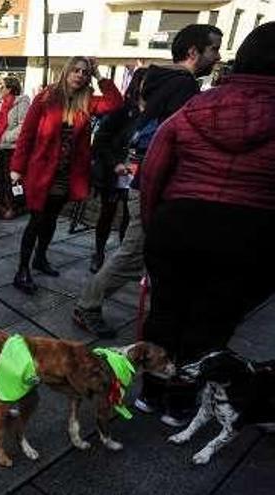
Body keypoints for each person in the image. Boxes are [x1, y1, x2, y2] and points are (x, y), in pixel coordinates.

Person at [138, 23, 273, 426]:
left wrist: (154, 226)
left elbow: (153, 172)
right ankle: (180, 402)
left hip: (178, 223)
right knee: (211, 323)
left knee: (165, 311)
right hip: (249, 232)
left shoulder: (195, 108)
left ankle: (151, 392)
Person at [73, 24, 222, 340]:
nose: (218, 56)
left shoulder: (165, 82)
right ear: (194, 52)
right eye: (213, 49)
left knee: (144, 253)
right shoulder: (182, 88)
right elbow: (168, 139)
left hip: (148, 181)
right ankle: (87, 304)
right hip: (153, 183)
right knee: (133, 253)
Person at [10, 56, 122, 294]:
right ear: (67, 71)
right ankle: (22, 269)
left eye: (84, 72)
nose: (80, 75)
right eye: (76, 70)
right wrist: (17, 168)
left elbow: (115, 103)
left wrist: (99, 74)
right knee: (36, 220)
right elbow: (27, 135)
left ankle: (40, 258)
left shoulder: (87, 101)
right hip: (42, 172)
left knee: (51, 219)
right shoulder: (46, 98)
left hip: (66, 175)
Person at [86, 68, 148, 274]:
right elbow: (101, 141)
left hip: (138, 174)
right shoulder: (121, 110)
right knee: (107, 214)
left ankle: (123, 260)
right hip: (115, 173)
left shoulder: (154, 112)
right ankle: (99, 253)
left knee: (130, 218)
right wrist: (115, 164)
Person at [0, 76, 29, 219]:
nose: (0, 89)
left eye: (2, 87)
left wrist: (5, 137)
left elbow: (23, 126)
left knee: (10, 179)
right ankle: (2, 205)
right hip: (0, 146)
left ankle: (14, 206)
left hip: (12, 147)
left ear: (10, 88)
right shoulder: (2, 103)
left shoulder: (21, 102)